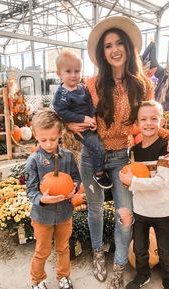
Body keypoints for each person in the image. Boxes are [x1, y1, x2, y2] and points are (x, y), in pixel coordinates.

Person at [65, 16, 169, 289]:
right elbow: (70, 116)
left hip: (122, 158)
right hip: (92, 157)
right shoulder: (90, 85)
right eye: (107, 46)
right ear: (102, 53)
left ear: (128, 48)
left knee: (125, 215)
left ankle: (118, 268)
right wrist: (69, 124)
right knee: (93, 210)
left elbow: (152, 119)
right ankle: (97, 254)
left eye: (119, 44)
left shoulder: (143, 85)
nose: (114, 49)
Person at [119, 100, 169, 289]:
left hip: (162, 210)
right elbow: (134, 175)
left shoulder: (165, 147)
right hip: (141, 210)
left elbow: (162, 182)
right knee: (140, 249)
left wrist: (131, 183)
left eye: (154, 118)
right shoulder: (134, 150)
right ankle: (142, 275)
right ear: (137, 123)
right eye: (143, 119)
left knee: (165, 253)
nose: (149, 123)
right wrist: (127, 179)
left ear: (161, 121)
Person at [25, 110, 81, 289]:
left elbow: (75, 177)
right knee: (42, 250)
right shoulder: (33, 161)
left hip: (64, 213)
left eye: (52, 139)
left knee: (63, 248)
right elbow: (31, 190)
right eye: (43, 140)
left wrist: (74, 186)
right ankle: (37, 281)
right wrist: (42, 199)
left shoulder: (67, 157)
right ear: (36, 137)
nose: (48, 144)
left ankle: (63, 277)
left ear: (60, 135)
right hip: (42, 215)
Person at [53, 50, 112, 190]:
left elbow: (90, 103)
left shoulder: (82, 88)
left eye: (77, 71)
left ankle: (100, 164)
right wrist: (83, 119)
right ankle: (98, 173)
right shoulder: (62, 95)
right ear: (59, 73)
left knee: (100, 146)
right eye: (68, 71)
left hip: (90, 122)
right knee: (98, 148)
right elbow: (62, 112)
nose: (74, 75)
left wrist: (92, 116)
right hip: (81, 129)